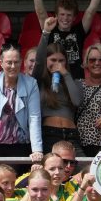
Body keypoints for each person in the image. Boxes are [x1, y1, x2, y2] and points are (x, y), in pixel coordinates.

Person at [30, 0, 101, 78]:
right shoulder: (50, 30)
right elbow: (40, 11)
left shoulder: (79, 31)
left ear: (75, 17)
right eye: (62, 14)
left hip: (76, 80)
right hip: (53, 80)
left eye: (69, 15)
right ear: (55, 15)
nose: (65, 18)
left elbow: (91, 11)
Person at [0, 45, 44, 168]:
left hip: (22, 145)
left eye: (16, 62)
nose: (13, 66)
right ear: (1, 63)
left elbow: (34, 118)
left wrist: (37, 150)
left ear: (21, 62)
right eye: (9, 62)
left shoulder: (31, 84)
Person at [34, 19, 85, 154]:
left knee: (82, 171)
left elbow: (76, 101)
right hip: (50, 134)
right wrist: (45, 33)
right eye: (53, 60)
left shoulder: (73, 81)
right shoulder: (39, 81)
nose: (57, 64)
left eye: (61, 60)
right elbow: (38, 61)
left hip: (71, 134)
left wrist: (66, 74)